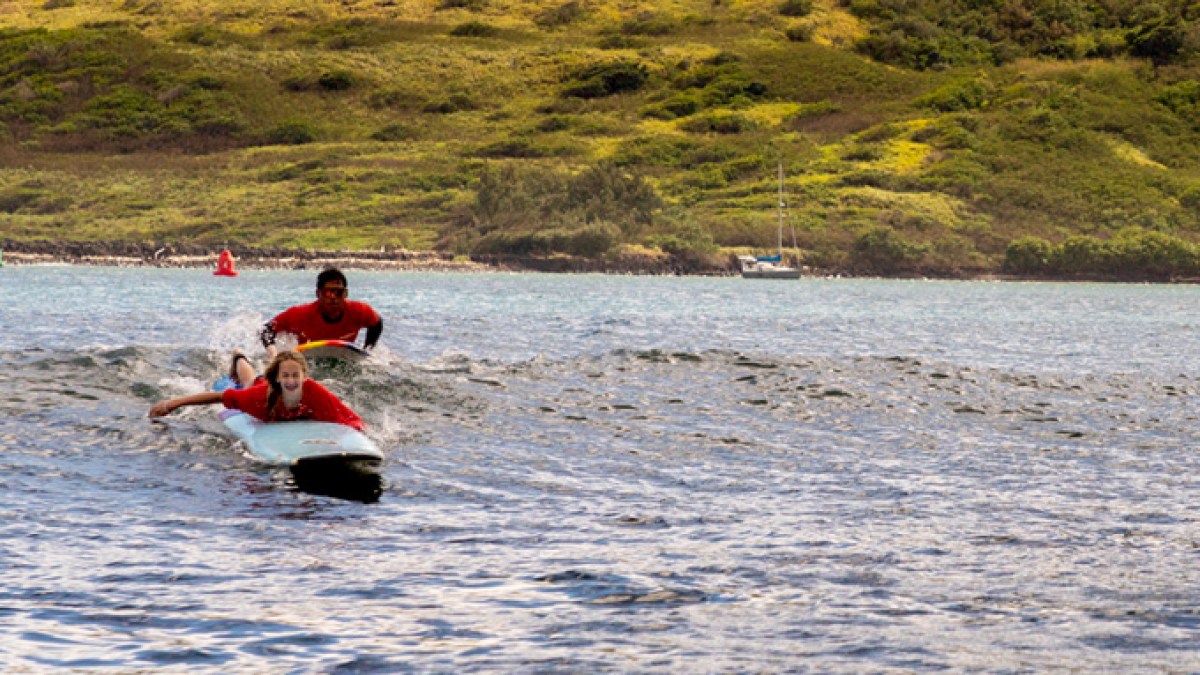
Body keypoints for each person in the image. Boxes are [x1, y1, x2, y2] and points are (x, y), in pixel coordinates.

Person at [148, 350, 364, 430]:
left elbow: (348, 417)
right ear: (278, 378)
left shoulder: (315, 392)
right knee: (249, 379)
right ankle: (238, 357)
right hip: (260, 386)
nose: (290, 381)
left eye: (295, 376)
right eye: (285, 376)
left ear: (305, 377)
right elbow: (218, 397)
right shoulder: (259, 397)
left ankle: (272, 354)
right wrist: (171, 404)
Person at [260, 268, 382, 358]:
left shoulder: (360, 311)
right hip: (308, 358)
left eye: (338, 293)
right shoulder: (300, 314)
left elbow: (377, 323)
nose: (333, 297)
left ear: (345, 294)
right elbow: (266, 330)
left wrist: (368, 349)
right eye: (328, 293)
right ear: (318, 294)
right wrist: (273, 353)